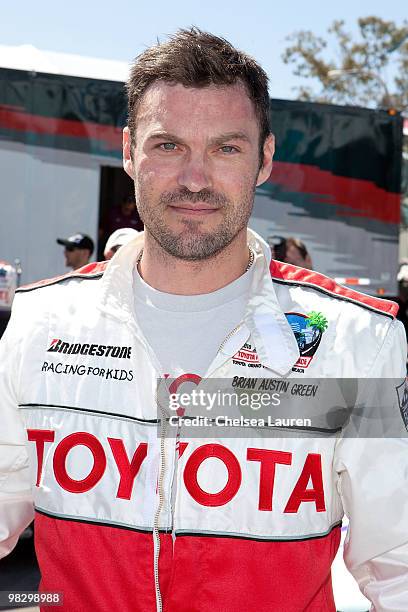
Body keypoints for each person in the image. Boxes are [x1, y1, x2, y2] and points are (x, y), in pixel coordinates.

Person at [0, 28, 407, 612]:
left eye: (226, 148)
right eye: (167, 145)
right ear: (127, 152)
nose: (194, 179)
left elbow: (398, 565)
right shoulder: (41, 323)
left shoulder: (359, 341)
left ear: (264, 159)